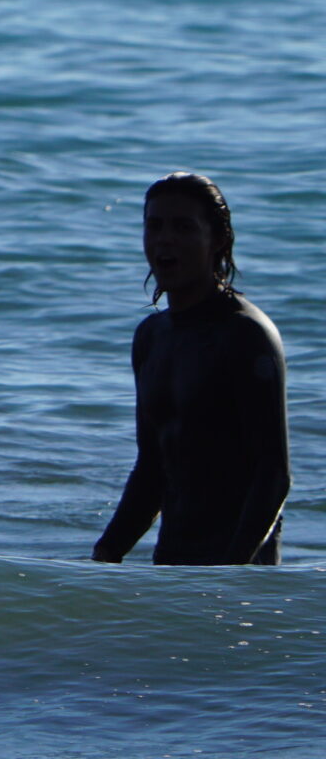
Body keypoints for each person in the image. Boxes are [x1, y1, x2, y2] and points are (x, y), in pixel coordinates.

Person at [94, 172, 290, 566]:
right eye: (154, 226)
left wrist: (231, 574)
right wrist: (106, 553)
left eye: (183, 227)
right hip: (172, 568)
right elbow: (152, 469)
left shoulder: (245, 334)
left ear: (217, 239)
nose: (165, 239)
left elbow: (273, 476)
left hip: (241, 573)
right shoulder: (151, 337)